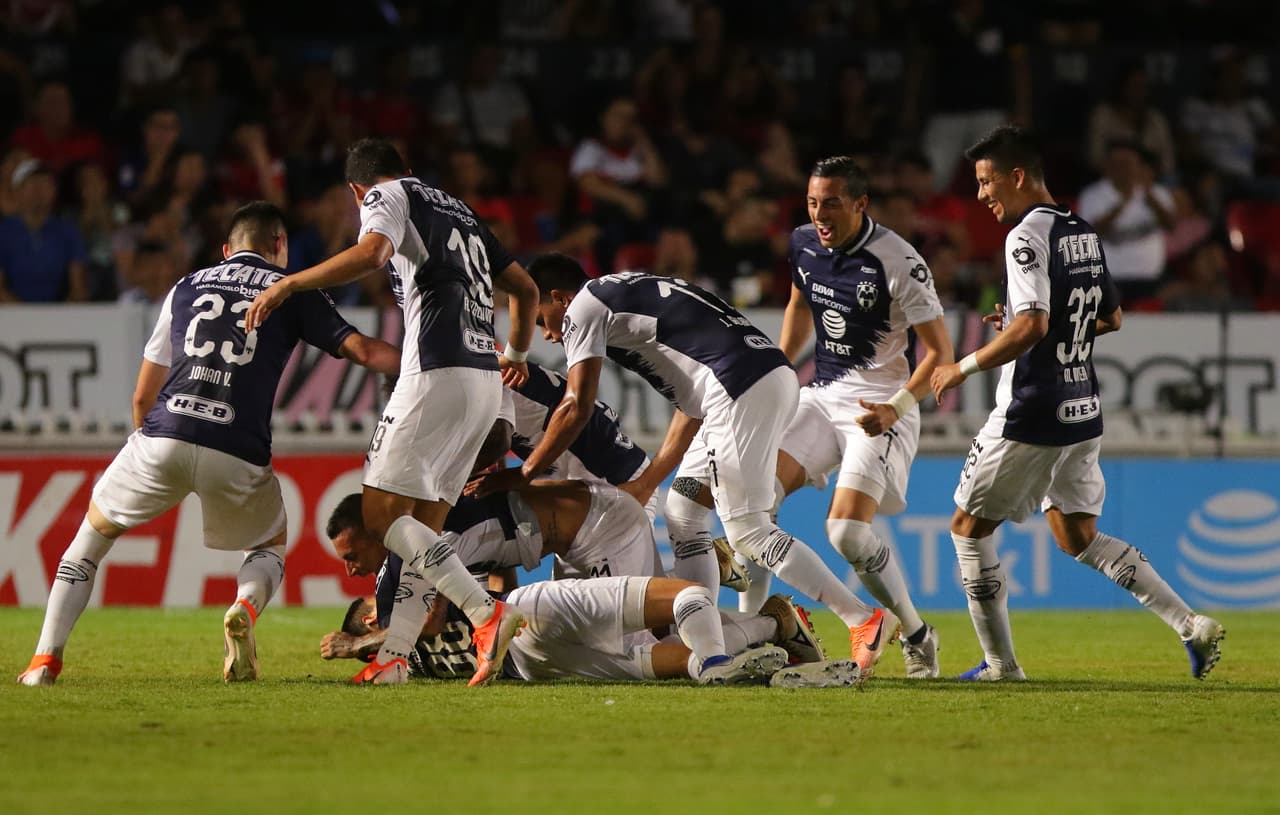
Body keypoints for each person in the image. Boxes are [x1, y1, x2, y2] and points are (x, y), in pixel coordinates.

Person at [16, 201, 402, 686]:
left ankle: (43, 663)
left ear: (226, 250)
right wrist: (426, 361)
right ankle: (243, 606)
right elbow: (364, 351)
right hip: (236, 447)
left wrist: (156, 452)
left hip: (164, 434)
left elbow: (143, 394)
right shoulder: (293, 290)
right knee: (267, 547)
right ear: (278, 246)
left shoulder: (185, 287)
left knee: (87, 544)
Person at [468, 255, 897, 677]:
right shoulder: (625, 293)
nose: (545, 334)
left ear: (559, 298)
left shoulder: (583, 308)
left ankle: (861, 618)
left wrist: (524, 473)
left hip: (741, 386)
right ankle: (699, 630)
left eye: (541, 318)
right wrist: (649, 481)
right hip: (752, 378)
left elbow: (576, 406)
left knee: (748, 530)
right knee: (684, 511)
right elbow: (690, 408)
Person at [930, 125, 1226, 681]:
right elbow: (1110, 316)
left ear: (1018, 176)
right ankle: (1191, 625)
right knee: (1077, 536)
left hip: (1032, 411)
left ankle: (1001, 666)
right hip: (1081, 405)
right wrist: (1032, 324)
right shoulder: (1081, 231)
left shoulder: (1024, 238)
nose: (981, 195)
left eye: (987, 181)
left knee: (968, 528)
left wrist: (962, 364)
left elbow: (1033, 325)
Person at [244, 138, 541, 687]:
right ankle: (396, 657)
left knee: (381, 520)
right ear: (409, 168)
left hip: (435, 372)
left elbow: (374, 253)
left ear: (359, 191)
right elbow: (524, 287)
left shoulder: (387, 194)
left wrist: (291, 282)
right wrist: (518, 354)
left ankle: (485, 614)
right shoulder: (463, 212)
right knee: (425, 534)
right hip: (483, 381)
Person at [728, 156, 954, 680]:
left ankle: (917, 634)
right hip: (821, 395)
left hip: (881, 404)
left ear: (860, 203)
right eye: (812, 202)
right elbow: (799, 306)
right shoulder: (804, 243)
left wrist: (897, 406)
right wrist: (778, 371)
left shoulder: (899, 261)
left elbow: (940, 352)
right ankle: (746, 636)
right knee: (753, 505)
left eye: (831, 202)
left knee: (848, 534)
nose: (820, 213)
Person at [323, 501, 844, 687]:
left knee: (686, 600)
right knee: (661, 660)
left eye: (371, 609)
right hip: (532, 667)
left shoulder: (412, 583)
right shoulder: (404, 659)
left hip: (528, 616)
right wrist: (363, 645)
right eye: (371, 616)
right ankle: (771, 631)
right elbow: (415, 635)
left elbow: (471, 597)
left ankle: (753, 623)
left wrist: (356, 643)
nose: (378, 613)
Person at [1076, 141, 1175, 304]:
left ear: (1139, 165)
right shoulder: (1092, 195)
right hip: (1108, 279)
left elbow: (1171, 226)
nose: (1123, 169)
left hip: (1151, 279)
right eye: (1117, 164)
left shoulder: (1157, 193)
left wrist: (1149, 196)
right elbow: (1090, 233)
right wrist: (1122, 203)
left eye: (1128, 163)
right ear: (1107, 166)